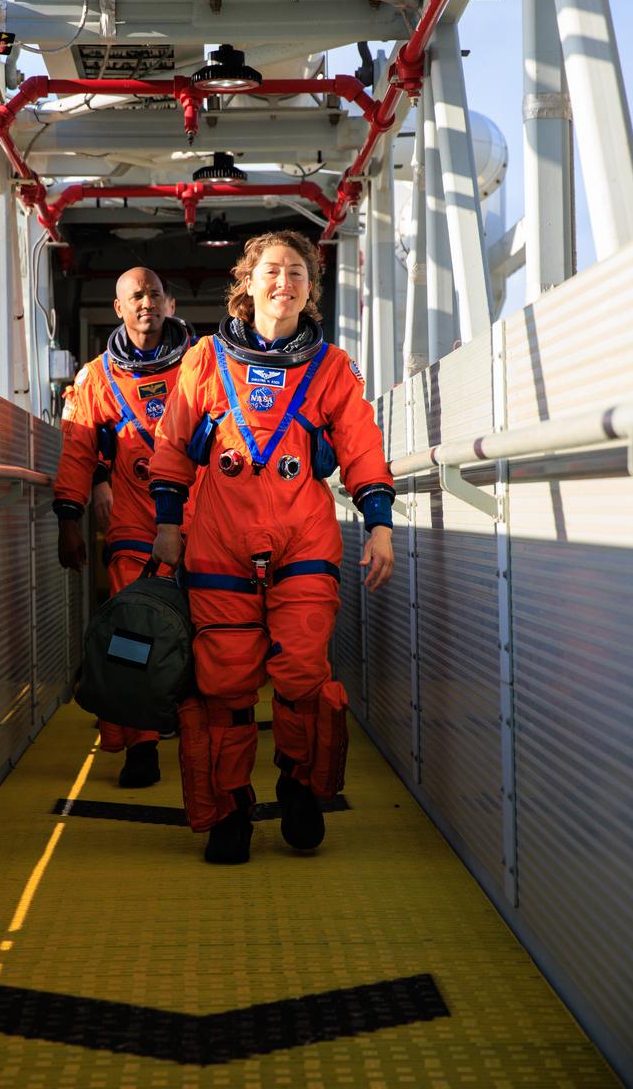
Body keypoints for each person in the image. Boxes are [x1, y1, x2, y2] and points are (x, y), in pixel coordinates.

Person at [149, 230, 395, 864]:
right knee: (225, 684)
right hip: (219, 541)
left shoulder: (331, 367)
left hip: (303, 537)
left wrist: (380, 522)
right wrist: (168, 523)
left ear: (311, 290)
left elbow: (363, 445)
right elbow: (172, 444)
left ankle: (300, 785)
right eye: (271, 271)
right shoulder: (204, 359)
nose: (284, 282)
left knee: (303, 674)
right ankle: (231, 809)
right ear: (246, 283)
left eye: (297, 273)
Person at [54, 266, 193, 787]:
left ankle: (198, 733)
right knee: (134, 636)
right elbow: (77, 450)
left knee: (212, 629)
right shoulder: (96, 378)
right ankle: (141, 747)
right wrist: (70, 517)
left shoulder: (203, 363)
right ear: (118, 308)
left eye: (154, 293)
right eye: (136, 296)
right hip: (136, 521)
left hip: (204, 518)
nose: (146, 303)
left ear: (169, 303)